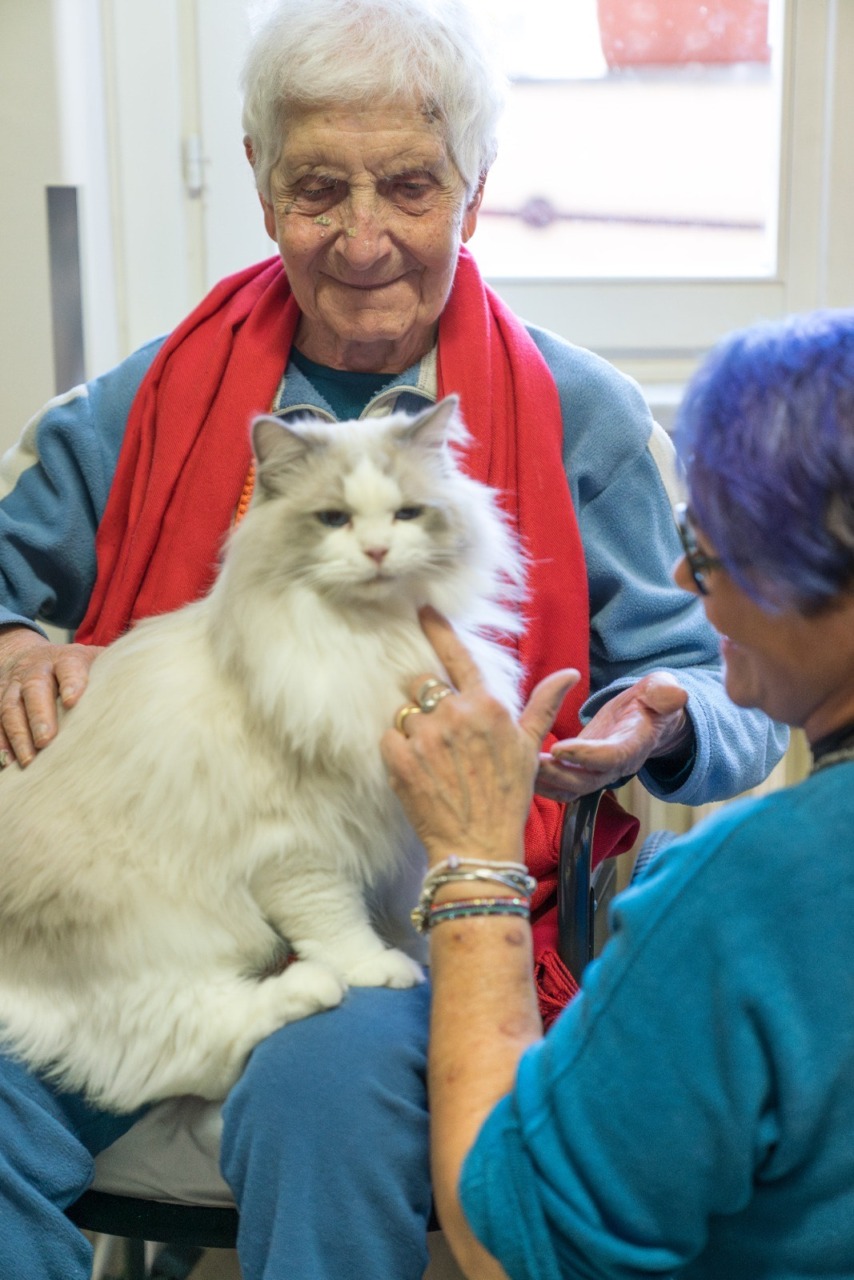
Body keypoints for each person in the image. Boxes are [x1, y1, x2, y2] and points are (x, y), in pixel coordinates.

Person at [0, 1, 785, 1277]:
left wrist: (660, 719)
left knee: (332, 1078)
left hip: (416, 915)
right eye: (319, 189)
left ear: (474, 193)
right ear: (259, 188)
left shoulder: (577, 414)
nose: (363, 238)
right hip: (147, 908)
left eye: (408, 186)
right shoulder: (140, 400)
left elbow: (730, 685)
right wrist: (13, 644)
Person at [382, 307, 854, 1280]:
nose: (680, 575)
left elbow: (505, 1238)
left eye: (710, 551)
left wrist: (476, 862)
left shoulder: (744, 896)